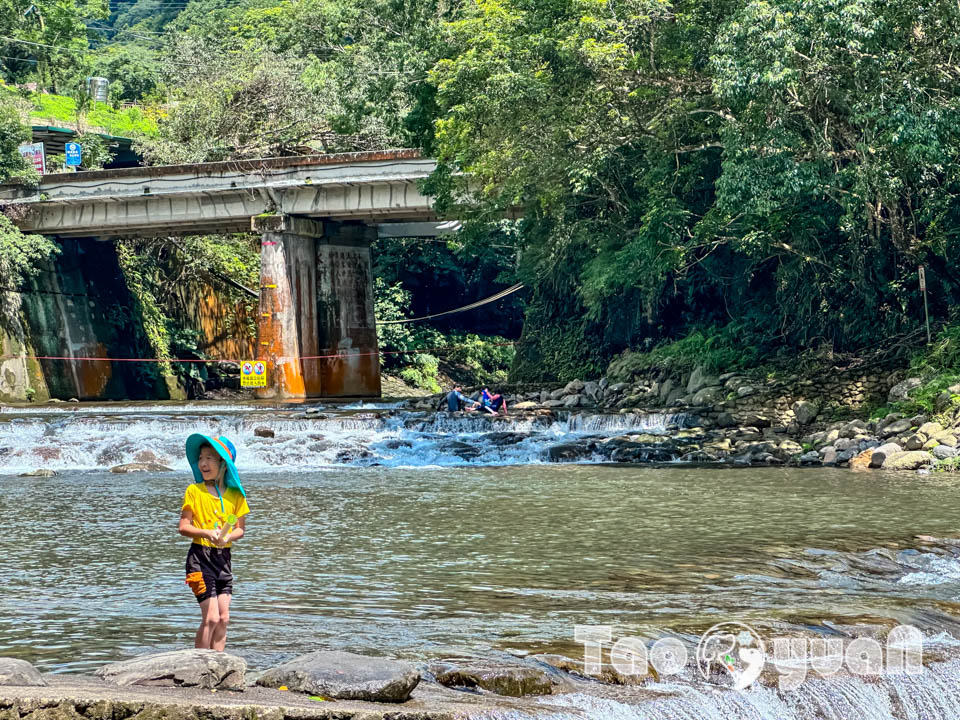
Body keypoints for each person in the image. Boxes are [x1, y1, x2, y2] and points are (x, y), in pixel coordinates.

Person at [179, 434, 249, 651]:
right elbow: (183, 527)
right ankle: (198, 666)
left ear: (224, 465)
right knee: (210, 618)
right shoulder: (194, 491)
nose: (203, 463)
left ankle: (218, 667)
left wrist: (227, 537)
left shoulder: (237, 496)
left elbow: (240, 530)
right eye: (201, 458)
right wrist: (207, 532)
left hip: (223, 560)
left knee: (223, 618)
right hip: (200, 559)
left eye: (210, 458)